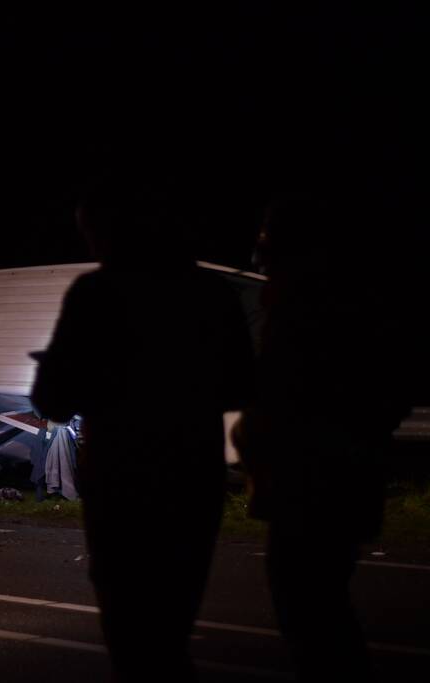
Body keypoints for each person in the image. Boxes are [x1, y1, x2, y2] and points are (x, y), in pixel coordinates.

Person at [30, 177, 255, 682]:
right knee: (173, 624)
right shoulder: (211, 294)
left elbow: (52, 400)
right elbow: (243, 386)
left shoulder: (97, 293)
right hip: (193, 476)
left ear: (109, 232)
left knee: (130, 628)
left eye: (91, 234)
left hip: (122, 480)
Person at [233, 189, 415, 682]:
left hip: (313, 484)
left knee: (311, 610)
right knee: (318, 607)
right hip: (324, 480)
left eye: (270, 234)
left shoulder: (317, 307)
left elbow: (284, 391)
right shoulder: (342, 303)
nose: (261, 245)